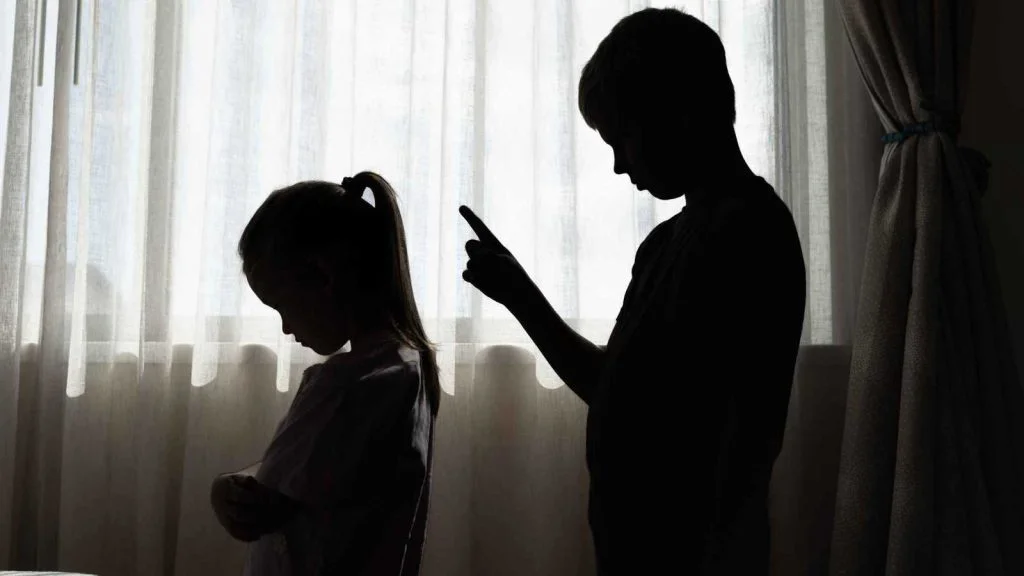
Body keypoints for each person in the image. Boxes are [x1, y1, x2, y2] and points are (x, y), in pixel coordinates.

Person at [460, 8, 806, 575]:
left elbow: (738, 440)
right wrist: (519, 295)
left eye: (622, 137)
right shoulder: (663, 245)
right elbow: (614, 386)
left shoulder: (750, 231)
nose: (620, 165)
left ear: (679, 113)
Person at [210, 172, 440, 576]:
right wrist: (239, 482)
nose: (286, 328)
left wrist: (223, 494)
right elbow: (305, 475)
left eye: (282, 306)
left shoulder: (347, 388)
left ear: (322, 278)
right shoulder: (407, 369)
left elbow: (268, 505)